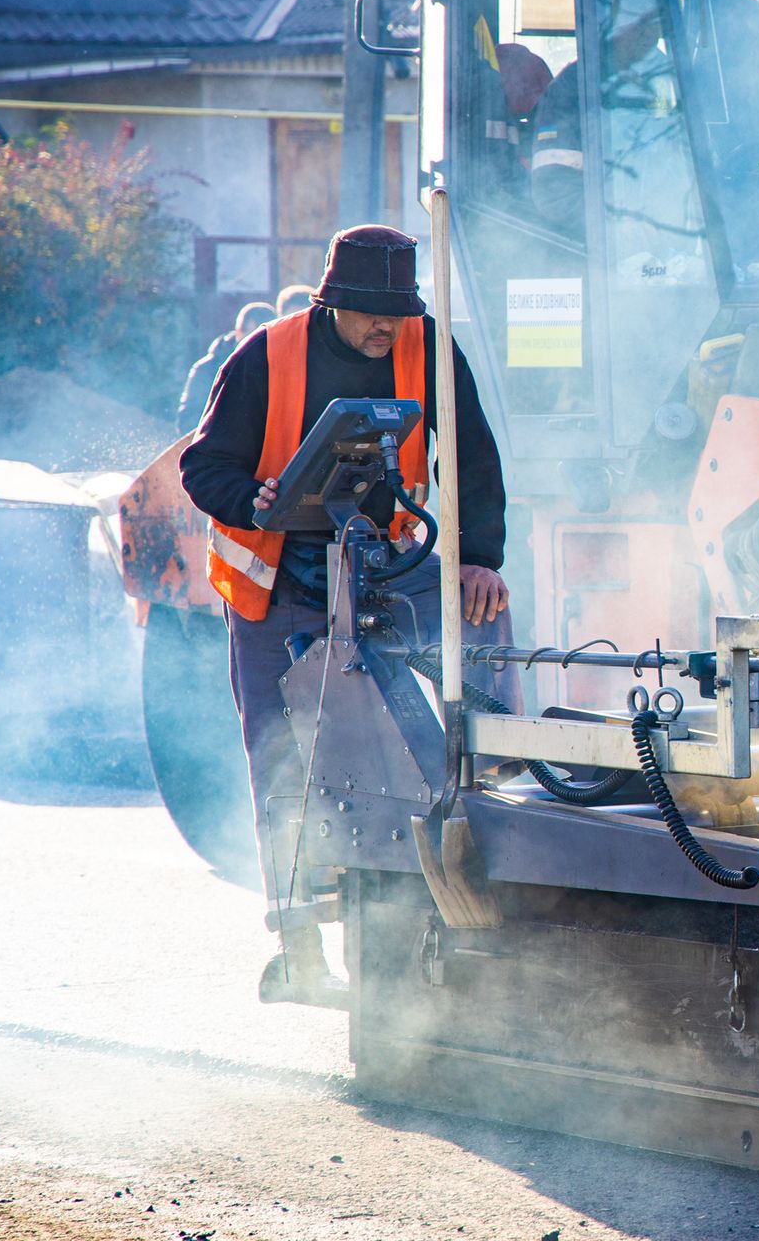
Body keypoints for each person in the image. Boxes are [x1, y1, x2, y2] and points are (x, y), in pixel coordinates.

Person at [180, 225, 521, 1004]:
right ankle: (299, 952)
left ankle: (498, 765)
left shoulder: (425, 346)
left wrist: (480, 558)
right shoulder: (267, 355)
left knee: (481, 612)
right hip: (275, 584)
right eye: (372, 313)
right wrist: (254, 500)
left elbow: (471, 453)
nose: (386, 328)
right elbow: (204, 466)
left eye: (397, 313)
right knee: (281, 759)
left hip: (380, 564)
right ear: (333, 301)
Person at [176, 300, 276, 434]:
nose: (258, 346)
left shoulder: (279, 370)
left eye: (265, 339)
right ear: (239, 333)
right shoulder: (207, 370)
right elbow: (188, 421)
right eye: (253, 338)